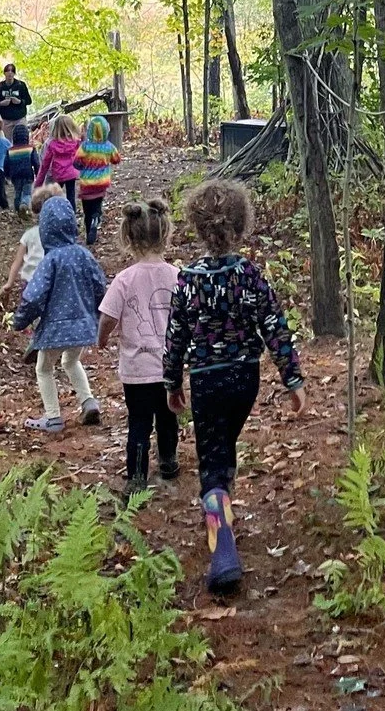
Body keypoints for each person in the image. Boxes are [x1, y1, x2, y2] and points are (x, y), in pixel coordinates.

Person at [164, 178, 306, 593]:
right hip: (245, 379)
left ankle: (222, 547)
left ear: (197, 226)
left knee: (212, 461)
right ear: (241, 225)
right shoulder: (250, 275)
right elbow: (274, 326)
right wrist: (292, 377)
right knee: (223, 447)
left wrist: (172, 381)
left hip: (206, 379)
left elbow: (176, 336)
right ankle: (222, 499)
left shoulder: (188, 280)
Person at [98, 198, 179, 491]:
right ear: (165, 233)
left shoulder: (124, 279)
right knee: (168, 417)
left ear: (129, 238)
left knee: (139, 423)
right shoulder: (176, 276)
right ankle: (168, 461)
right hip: (170, 366)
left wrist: (102, 339)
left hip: (136, 369)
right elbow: (189, 315)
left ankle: (136, 476)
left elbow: (108, 317)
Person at [13, 193, 106, 432]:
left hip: (56, 328)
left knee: (44, 368)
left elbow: (33, 296)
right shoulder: (84, 254)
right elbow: (100, 286)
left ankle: (53, 417)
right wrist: (97, 315)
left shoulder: (51, 260)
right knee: (71, 360)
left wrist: (20, 320)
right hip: (83, 325)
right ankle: (88, 401)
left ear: (45, 229)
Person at [3, 182, 61, 366]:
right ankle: (45, 343)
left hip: (30, 283)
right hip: (52, 282)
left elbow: (18, 261)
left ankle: (36, 341)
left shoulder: (29, 235)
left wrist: (9, 282)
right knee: (49, 313)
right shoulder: (59, 234)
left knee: (33, 312)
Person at [75, 111, 121, 244]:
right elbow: (117, 159)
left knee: (87, 209)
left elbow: (76, 162)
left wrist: (83, 166)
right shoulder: (108, 147)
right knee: (97, 205)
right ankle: (96, 217)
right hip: (101, 183)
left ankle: (89, 231)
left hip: (87, 184)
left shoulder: (85, 147)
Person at [35, 114, 82, 207]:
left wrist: (38, 183)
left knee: (55, 196)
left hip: (58, 173)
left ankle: (56, 210)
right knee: (71, 195)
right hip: (71, 174)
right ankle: (71, 212)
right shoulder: (75, 142)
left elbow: (45, 164)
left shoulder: (52, 144)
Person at [0, 61, 31, 130]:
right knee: (7, 137)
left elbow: (29, 101)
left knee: (21, 135)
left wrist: (19, 102)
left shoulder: (21, 85)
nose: (10, 73)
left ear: (14, 73)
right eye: (8, 71)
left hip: (20, 119)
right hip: (5, 120)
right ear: (4, 73)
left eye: (12, 71)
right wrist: (1, 103)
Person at [7, 120, 38, 213]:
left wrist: (7, 175)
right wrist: (38, 173)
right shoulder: (30, 148)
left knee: (17, 193)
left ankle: (17, 210)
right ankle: (24, 204)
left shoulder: (10, 150)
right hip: (27, 174)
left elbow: (6, 164)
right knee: (27, 193)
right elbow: (36, 162)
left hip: (15, 175)